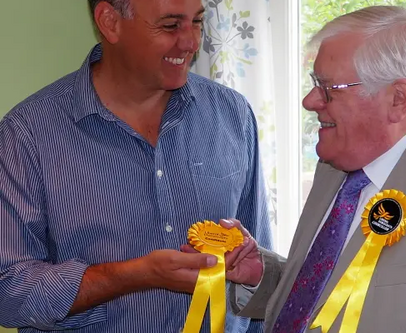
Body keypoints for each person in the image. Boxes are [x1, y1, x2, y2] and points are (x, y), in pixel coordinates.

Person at [223, 5, 406, 333]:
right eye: (314, 83)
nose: (310, 101)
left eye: (328, 88)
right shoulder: (335, 169)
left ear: (398, 99)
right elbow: (332, 296)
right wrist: (262, 275)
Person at [0, 0, 271, 332]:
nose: (190, 42)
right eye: (171, 25)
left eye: (197, 22)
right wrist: (132, 276)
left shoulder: (232, 114)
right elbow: (7, 290)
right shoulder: (27, 134)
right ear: (110, 22)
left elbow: (261, 275)